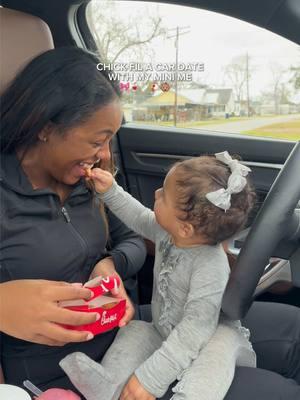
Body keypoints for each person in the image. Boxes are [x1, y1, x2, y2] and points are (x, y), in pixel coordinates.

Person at [0, 46, 147, 390]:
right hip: (57, 379)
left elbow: (135, 239)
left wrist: (111, 265)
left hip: (125, 341)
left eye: (110, 140)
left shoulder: (91, 182)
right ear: (45, 127)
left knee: (289, 330)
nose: (104, 155)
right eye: (98, 140)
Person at [61, 152, 257, 400]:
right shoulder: (170, 232)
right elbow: (138, 216)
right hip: (163, 328)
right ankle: (108, 384)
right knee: (135, 333)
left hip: (207, 334)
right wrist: (110, 190)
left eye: (163, 195)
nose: (156, 194)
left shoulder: (211, 267)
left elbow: (195, 330)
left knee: (215, 358)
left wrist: (151, 378)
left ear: (185, 228)